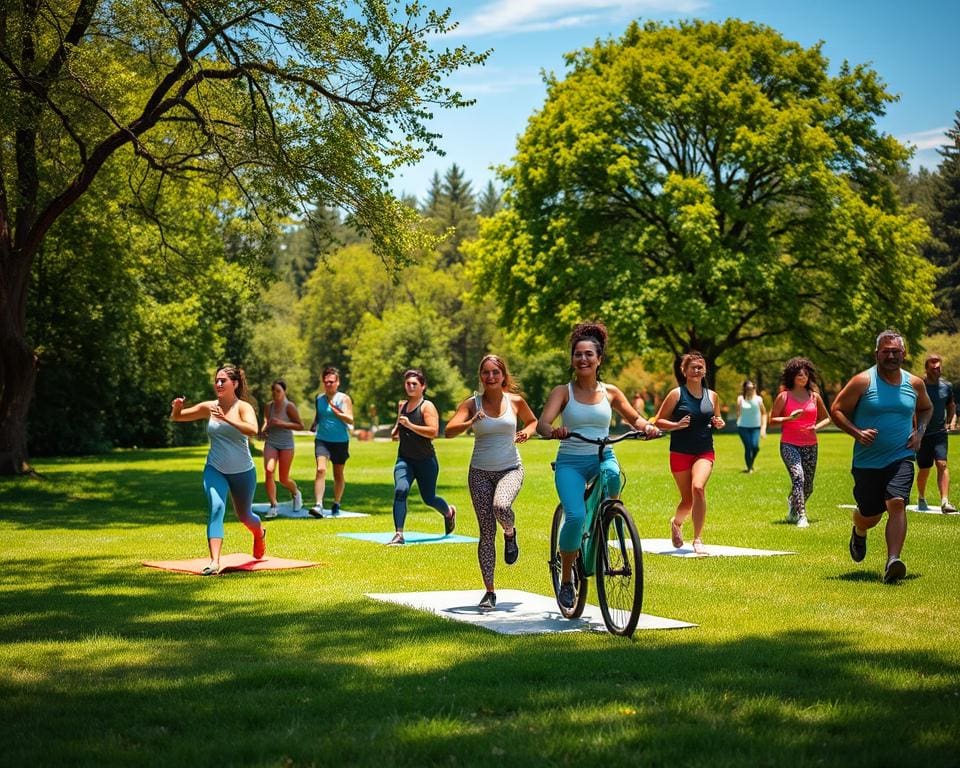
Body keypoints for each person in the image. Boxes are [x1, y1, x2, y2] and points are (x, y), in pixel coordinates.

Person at [536, 322, 659, 610]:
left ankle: (607, 516)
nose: (583, 359)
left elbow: (634, 418)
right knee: (575, 517)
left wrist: (647, 427)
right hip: (571, 463)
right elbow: (542, 424)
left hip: (603, 455)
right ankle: (567, 578)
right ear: (572, 359)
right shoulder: (562, 392)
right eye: (578, 354)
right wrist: (554, 430)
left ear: (599, 359)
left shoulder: (611, 392)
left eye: (589, 354)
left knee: (614, 474)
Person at [830, 330, 932, 583]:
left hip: (902, 455)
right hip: (867, 461)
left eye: (895, 351)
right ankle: (859, 529)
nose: (891, 355)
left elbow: (926, 408)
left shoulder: (914, 384)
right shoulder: (863, 381)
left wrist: (919, 432)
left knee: (897, 502)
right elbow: (837, 410)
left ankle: (892, 561)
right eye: (885, 351)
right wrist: (857, 433)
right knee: (870, 515)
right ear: (877, 353)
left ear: (904, 354)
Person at [445, 355, 538, 610]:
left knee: (501, 507)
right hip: (479, 473)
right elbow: (448, 430)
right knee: (486, 533)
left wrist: (527, 432)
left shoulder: (515, 401)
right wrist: (470, 421)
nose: (491, 377)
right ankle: (489, 591)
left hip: (511, 468)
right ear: (481, 377)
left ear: (503, 375)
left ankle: (510, 533)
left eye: (495, 372)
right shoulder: (472, 404)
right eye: (485, 373)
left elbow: (532, 421)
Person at [170, 364, 266, 575]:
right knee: (216, 508)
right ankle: (214, 562)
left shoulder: (243, 407)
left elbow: (253, 429)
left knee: (245, 516)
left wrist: (227, 418)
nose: (219, 383)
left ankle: (259, 533)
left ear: (235, 384)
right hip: (215, 468)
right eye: (217, 380)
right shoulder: (210, 407)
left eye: (224, 380)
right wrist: (177, 407)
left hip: (243, 471)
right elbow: (178, 417)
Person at [653, 352, 725, 555]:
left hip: (704, 451)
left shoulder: (712, 396)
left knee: (698, 488)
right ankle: (676, 523)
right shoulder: (676, 394)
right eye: (692, 367)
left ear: (705, 371)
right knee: (688, 500)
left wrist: (719, 422)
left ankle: (698, 539)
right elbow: (659, 420)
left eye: (700, 367)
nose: (696, 370)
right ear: (684, 371)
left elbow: (717, 419)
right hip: (680, 452)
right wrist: (676, 425)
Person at [388, 368, 456, 545]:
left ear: (423, 386)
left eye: (414, 384)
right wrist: (396, 431)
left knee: (429, 498)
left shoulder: (427, 406)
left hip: (426, 461)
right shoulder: (403, 405)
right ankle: (399, 534)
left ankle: (448, 512)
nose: (410, 386)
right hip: (404, 459)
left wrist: (410, 425)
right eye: (408, 383)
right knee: (400, 490)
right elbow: (399, 423)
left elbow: (433, 432)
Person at [768, 358, 832, 528]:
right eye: (799, 374)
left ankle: (793, 502)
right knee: (798, 477)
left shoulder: (814, 396)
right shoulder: (784, 396)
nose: (803, 377)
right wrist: (789, 418)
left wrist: (816, 427)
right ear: (792, 377)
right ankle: (802, 516)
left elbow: (827, 418)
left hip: (811, 445)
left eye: (805, 374)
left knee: (808, 486)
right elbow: (772, 420)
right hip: (789, 444)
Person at [309, 366, 353, 517]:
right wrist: (315, 424)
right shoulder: (319, 398)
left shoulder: (344, 398)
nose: (329, 384)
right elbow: (319, 415)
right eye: (326, 382)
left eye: (332, 382)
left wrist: (337, 412)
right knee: (321, 469)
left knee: (338, 474)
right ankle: (318, 505)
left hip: (340, 441)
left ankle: (336, 502)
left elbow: (350, 419)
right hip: (322, 440)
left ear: (338, 382)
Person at [916, 353, 957, 513]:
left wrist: (952, 420)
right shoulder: (919, 385)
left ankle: (945, 501)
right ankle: (921, 497)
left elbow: (951, 405)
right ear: (927, 368)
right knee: (924, 469)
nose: (937, 370)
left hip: (940, 432)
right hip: (923, 433)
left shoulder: (946, 386)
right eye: (934, 368)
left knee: (942, 464)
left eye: (939, 367)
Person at [260, 379, 305, 518]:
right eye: (273, 391)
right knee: (269, 471)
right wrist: (263, 430)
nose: (275, 393)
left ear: (284, 392)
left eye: (278, 391)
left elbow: (300, 425)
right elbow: (266, 421)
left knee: (283, 478)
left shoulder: (289, 406)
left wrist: (282, 423)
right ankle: (273, 506)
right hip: (271, 442)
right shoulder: (269, 406)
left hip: (286, 444)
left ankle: (296, 493)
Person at [735, 380, 767, 473]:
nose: (750, 390)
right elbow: (738, 412)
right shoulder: (740, 399)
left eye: (752, 388)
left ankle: (751, 464)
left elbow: (764, 413)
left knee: (755, 447)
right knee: (748, 447)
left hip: (755, 427)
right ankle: (749, 468)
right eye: (748, 388)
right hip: (743, 427)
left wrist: (763, 428)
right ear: (745, 389)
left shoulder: (759, 399)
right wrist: (738, 419)